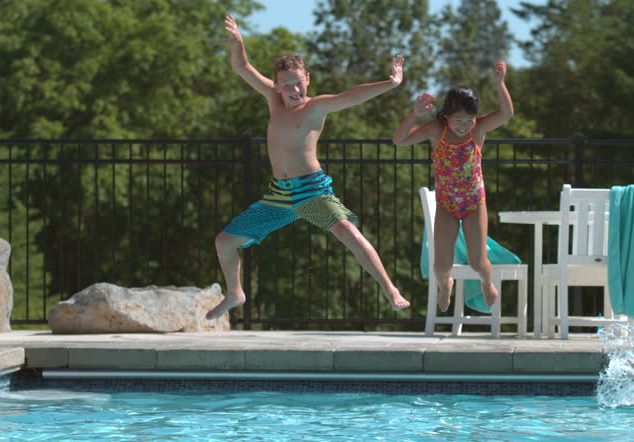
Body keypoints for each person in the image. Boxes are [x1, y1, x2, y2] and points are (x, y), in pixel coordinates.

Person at [206, 15, 410, 320]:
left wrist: (390, 83)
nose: (294, 90)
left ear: (308, 80)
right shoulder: (273, 101)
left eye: (298, 82)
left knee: (349, 234)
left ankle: (390, 289)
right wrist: (239, 43)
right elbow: (242, 68)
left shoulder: (315, 107)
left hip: (311, 191)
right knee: (224, 241)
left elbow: (351, 96)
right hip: (278, 195)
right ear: (277, 85)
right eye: (286, 85)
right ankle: (235, 293)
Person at [392, 62, 513, 312]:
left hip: (474, 203)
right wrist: (415, 114)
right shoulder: (437, 130)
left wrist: (500, 85)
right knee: (440, 265)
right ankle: (446, 285)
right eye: (458, 119)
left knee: (478, 262)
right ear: (446, 115)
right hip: (446, 204)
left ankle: (487, 282)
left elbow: (506, 114)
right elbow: (399, 140)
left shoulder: (478, 129)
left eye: (468, 119)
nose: (464, 124)